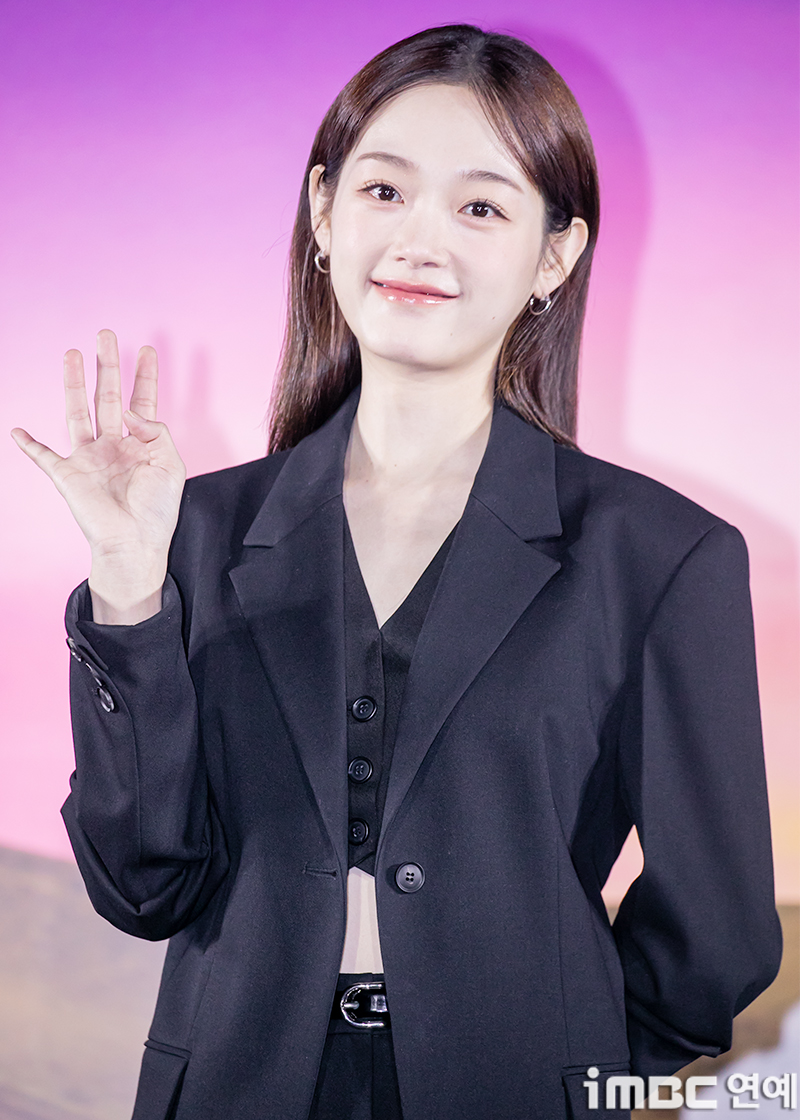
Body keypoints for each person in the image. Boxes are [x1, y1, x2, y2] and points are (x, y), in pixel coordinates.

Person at [11, 24, 781, 1120]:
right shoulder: (194, 531)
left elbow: (716, 939)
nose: (420, 239)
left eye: (481, 208)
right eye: (384, 191)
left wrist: (573, 1069)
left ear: (554, 256)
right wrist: (130, 587)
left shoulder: (660, 557)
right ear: (324, 213)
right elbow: (143, 887)